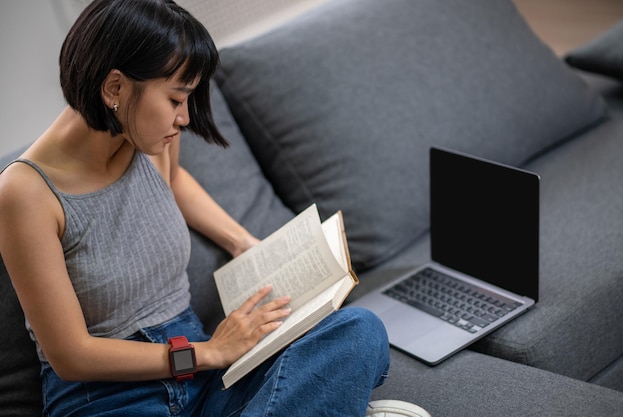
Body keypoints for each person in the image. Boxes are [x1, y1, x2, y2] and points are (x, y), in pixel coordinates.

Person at [0, 1, 430, 416]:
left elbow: (172, 181)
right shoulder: (24, 193)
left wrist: (240, 241)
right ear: (115, 88)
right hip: (111, 398)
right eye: (175, 99)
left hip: (203, 383)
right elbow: (71, 355)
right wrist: (206, 353)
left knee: (359, 332)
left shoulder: (147, 138)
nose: (184, 117)